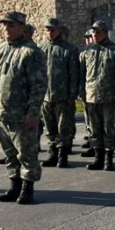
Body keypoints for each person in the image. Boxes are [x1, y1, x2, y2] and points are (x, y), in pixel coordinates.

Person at [0, 11, 46, 203]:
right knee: (10, 154)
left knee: (27, 153)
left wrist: (33, 112)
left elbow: (38, 86)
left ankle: (27, 188)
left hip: (22, 114)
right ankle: (14, 185)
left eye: (11, 25)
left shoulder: (31, 52)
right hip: (2, 113)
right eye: (5, 25)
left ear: (22, 27)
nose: (7, 28)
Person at [78, 20, 115, 171]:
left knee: (108, 129)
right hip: (91, 96)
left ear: (105, 33)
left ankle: (109, 159)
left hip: (109, 97)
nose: (95, 34)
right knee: (94, 129)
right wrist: (82, 93)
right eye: (93, 32)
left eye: (98, 32)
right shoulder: (87, 51)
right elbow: (81, 74)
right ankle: (98, 158)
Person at [40, 18, 79, 169]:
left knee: (63, 127)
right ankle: (53, 153)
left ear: (59, 31)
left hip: (62, 96)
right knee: (50, 128)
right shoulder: (41, 48)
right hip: (45, 96)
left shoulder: (69, 49)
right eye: (47, 30)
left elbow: (73, 74)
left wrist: (72, 95)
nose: (49, 33)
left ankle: (62, 155)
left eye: (52, 30)